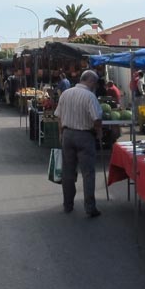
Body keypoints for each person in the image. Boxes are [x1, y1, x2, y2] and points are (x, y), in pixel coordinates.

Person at [54, 70, 104, 218]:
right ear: (91, 82)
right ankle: (90, 207)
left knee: (68, 172)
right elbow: (96, 118)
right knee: (88, 173)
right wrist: (99, 131)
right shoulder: (90, 96)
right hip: (84, 136)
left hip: (68, 134)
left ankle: (67, 204)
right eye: (94, 83)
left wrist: (61, 133)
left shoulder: (66, 93)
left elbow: (59, 116)